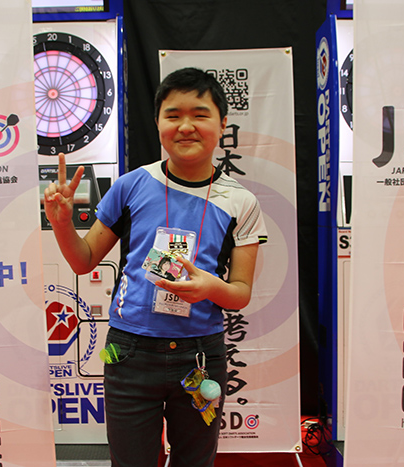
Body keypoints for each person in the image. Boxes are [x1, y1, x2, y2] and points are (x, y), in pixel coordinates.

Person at [43, 67, 267, 467]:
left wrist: (210, 288)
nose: (186, 126)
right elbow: (83, 260)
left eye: (200, 115)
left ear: (222, 125)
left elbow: (241, 293)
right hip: (129, 352)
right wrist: (62, 223)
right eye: (173, 115)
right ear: (158, 122)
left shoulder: (241, 202)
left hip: (200, 356)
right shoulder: (130, 186)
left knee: (195, 462)